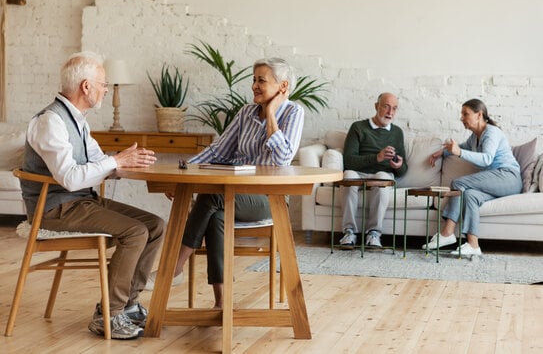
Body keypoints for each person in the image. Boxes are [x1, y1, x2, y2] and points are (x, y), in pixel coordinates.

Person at [20, 51, 165, 339]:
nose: (106, 89)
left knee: (155, 225)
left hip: (81, 202)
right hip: (54, 209)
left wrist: (129, 164)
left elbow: (101, 164)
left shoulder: (79, 121)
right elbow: (71, 178)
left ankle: (129, 305)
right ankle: (108, 315)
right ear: (86, 86)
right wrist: (116, 161)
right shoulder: (51, 122)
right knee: (135, 232)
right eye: (103, 83)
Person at [144, 57, 304, 309]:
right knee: (217, 216)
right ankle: (222, 303)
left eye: (261, 80)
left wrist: (271, 114)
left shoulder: (294, 112)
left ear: (282, 87)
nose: (254, 85)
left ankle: (174, 267)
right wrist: (181, 174)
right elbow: (217, 152)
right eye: (253, 80)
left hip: (268, 198)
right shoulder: (245, 113)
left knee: (213, 194)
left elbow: (283, 157)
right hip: (234, 194)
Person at [424, 98, 522, 256]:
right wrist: (443, 152)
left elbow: (487, 159)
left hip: (508, 177)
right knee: (469, 195)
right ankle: (473, 245)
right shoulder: (474, 137)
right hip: (496, 180)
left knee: (458, 182)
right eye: (461, 114)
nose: (461, 118)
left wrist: (459, 153)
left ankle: (447, 232)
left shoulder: (491, 132)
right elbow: (460, 147)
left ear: (479, 115)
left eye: (465, 114)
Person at [339, 92, 408, 248]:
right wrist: (377, 157)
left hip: (382, 173)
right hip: (359, 172)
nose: (390, 112)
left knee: (383, 177)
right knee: (348, 175)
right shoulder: (358, 127)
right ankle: (349, 232)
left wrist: (398, 165)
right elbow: (348, 161)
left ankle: (373, 234)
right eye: (386, 106)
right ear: (376, 106)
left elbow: (403, 170)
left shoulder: (397, 132)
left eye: (395, 108)